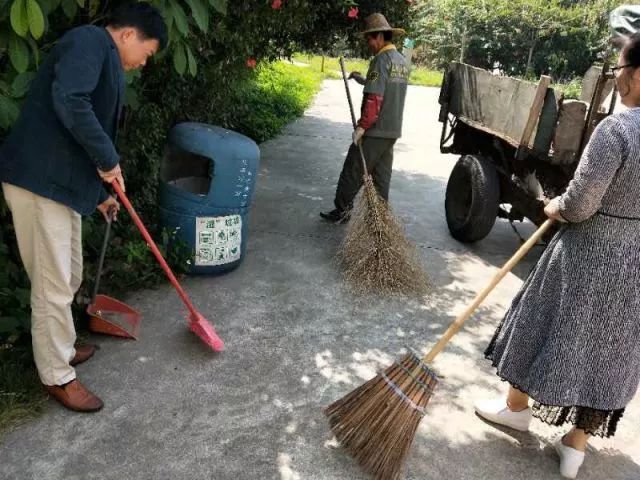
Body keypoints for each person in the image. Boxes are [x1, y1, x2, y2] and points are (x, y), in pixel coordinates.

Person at [474, 33, 640, 479]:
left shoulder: (618, 130)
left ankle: (516, 409)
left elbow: (581, 203)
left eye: (621, 69)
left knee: (541, 322)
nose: (618, 79)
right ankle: (576, 445)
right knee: (610, 348)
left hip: (589, 250)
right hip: (637, 260)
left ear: (639, 74)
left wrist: (555, 206)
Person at [0, 3, 167, 413]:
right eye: (147, 52)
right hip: (40, 183)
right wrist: (110, 162)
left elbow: (75, 137)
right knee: (54, 285)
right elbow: (71, 102)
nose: (143, 63)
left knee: (69, 274)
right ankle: (57, 376)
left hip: (61, 185)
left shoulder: (102, 57)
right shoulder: (89, 41)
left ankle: (62, 345)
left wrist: (101, 194)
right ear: (128, 34)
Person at [320, 13, 409, 223]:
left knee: (353, 169)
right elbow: (385, 87)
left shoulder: (380, 60)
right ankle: (379, 221)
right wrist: (362, 78)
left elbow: (375, 98)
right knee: (381, 178)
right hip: (392, 130)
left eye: (369, 38)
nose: (368, 43)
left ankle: (342, 211)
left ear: (379, 36)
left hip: (375, 129)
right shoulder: (401, 61)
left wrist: (362, 127)